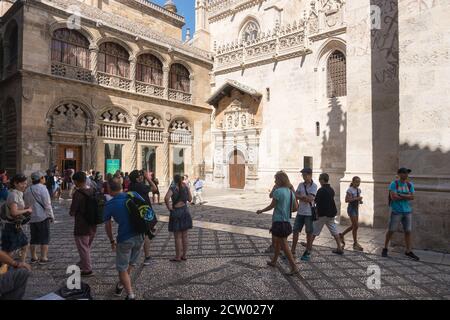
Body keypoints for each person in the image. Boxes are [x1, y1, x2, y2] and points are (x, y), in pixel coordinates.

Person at [104, 180, 145, 300]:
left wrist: (112, 240)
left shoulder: (110, 204)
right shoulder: (134, 195)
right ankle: (121, 284)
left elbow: (108, 225)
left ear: (110, 190)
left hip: (125, 238)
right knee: (131, 262)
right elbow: (145, 209)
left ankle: (130, 294)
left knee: (122, 267)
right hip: (140, 235)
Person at [256, 171, 299, 276]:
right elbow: (295, 208)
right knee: (278, 242)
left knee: (283, 244)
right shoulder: (290, 192)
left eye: (276, 179)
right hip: (287, 222)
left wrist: (261, 210)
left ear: (280, 180)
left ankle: (294, 266)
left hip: (279, 221)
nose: (275, 181)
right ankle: (274, 261)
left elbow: (272, 206)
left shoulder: (278, 192)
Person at [382, 168, 419, 261]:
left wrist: (401, 195)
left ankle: (408, 250)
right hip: (396, 211)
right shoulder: (394, 184)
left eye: (407, 173)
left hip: (407, 211)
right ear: (399, 174)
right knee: (391, 230)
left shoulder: (410, 184)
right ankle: (385, 248)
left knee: (408, 231)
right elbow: (393, 197)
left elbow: (412, 197)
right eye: (404, 173)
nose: (406, 174)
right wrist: (406, 196)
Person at [24, 171, 55, 264]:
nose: (44, 179)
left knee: (34, 237)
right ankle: (44, 257)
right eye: (43, 177)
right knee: (45, 237)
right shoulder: (43, 188)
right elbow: (47, 204)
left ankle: (33, 257)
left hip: (32, 217)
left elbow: (26, 204)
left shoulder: (28, 189)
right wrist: (51, 216)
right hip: (42, 216)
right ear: (41, 178)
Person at [69, 172, 97, 277]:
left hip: (82, 225)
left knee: (83, 247)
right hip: (93, 223)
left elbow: (72, 211)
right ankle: (83, 263)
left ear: (76, 181)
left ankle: (87, 269)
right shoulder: (93, 190)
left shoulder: (78, 194)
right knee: (86, 246)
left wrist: (73, 212)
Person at [129, 170, 157, 265]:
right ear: (137, 178)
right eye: (140, 175)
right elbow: (154, 188)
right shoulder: (140, 186)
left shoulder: (130, 186)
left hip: (134, 212)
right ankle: (147, 258)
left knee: (137, 234)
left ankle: (132, 259)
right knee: (146, 235)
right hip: (144, 213)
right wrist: (148, 178)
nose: (142, 176)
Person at [310, 173, 344, 255]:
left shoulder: (321, 190)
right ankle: (339, 247)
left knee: (314, 229)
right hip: (331, 213)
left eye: (319, 180)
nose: (319, 181)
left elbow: (316, 201)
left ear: (322, 180)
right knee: (334, 230)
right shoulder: (331, 189)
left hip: (323, 214)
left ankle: (309, 245)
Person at [1, 174, 32, 263]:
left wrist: (25, 208)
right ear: (15, 183)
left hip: (15, 225)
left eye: (26, 183)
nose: (24, 186)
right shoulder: (13, 195)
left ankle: (20, 265)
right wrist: (28, 210)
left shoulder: (17, 193)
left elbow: (16, 208)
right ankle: (7, 268)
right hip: (11, 226)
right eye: (22, 183)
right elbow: (14, 212)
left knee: (24, 245)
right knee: (10, 251)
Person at [164, 174, 193, 262]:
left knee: (177, 237)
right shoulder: (185, 187)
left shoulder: (173, 187)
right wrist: (188, 189)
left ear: (174, 179)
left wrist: (169, 208)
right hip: (185, 211)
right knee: (185, 235)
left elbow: (166, 198)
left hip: (176, 211)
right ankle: (184, 255)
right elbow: (190, 199)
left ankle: (178, 257)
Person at [291, 168, 317, 262]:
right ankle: (292, 251)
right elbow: (295, 196)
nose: (303, 177)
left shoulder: (314, 186)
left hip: (309, 213)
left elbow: (310, 199)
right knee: (295, 230)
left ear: (310, 175)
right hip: (300, 212)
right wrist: (303, 197)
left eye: (305, 175)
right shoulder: (300, 185)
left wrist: (301, 197)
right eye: (303, 175)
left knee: (309, 232)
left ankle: (308, 251)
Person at [339, 176, 364, 251]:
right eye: (356, 182)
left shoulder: (358, 190)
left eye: (359, 182)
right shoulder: (350, 190)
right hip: (351, 209)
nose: (358, 183)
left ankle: (342, 235)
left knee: (354, 226)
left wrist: (360, 201)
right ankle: (355, 243)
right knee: (355, 226)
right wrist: (357, 199)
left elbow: (358, 198)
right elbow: (347, 200)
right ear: (352, 182)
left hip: (356, 209)